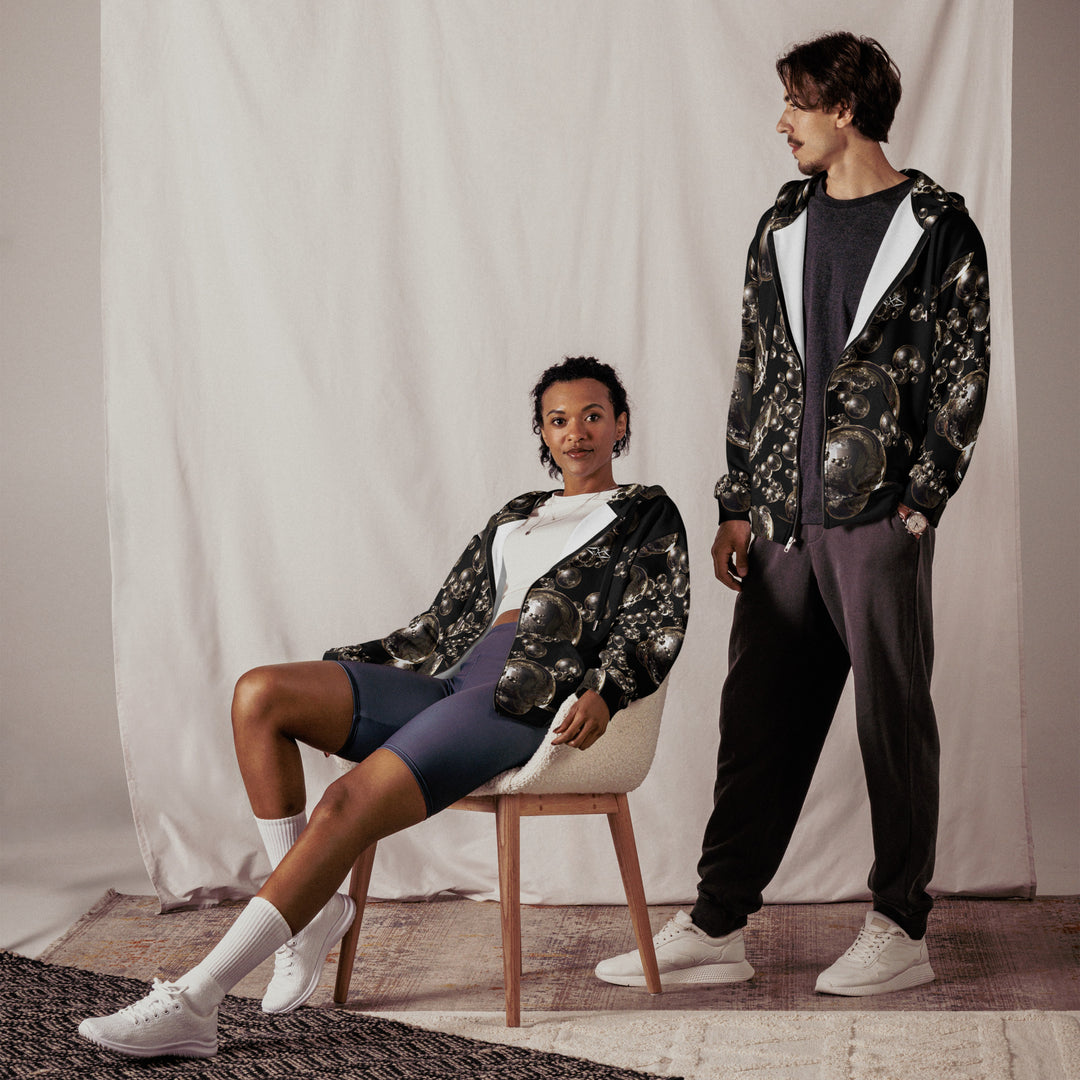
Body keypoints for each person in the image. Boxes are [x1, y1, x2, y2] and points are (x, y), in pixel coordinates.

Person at [77, 356, 689, 1058]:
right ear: (543, 434)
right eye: (558, 420)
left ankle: (197, 1000)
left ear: (619, 424)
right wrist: (361, 669)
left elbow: (657, 619)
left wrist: (607, 691)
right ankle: (310, 916)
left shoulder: (645, 513)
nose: (576, 432)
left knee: (344, 803)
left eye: (592, 416)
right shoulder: (517, 515)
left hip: (520, 698)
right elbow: (442, 619)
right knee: (261, 695)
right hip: (451, 677)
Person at [596, 32, 989, 996]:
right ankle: (719, 921)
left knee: (892, 721)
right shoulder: (782, 220)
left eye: (796, 104)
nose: (783, 123)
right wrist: (736, 499)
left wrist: (921, 502)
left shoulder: (939, 226)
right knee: (758, 721)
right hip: (780, 521)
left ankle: (900, 925)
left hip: (877, 517)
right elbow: (755, 369)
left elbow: (963, 375)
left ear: (843, 108)